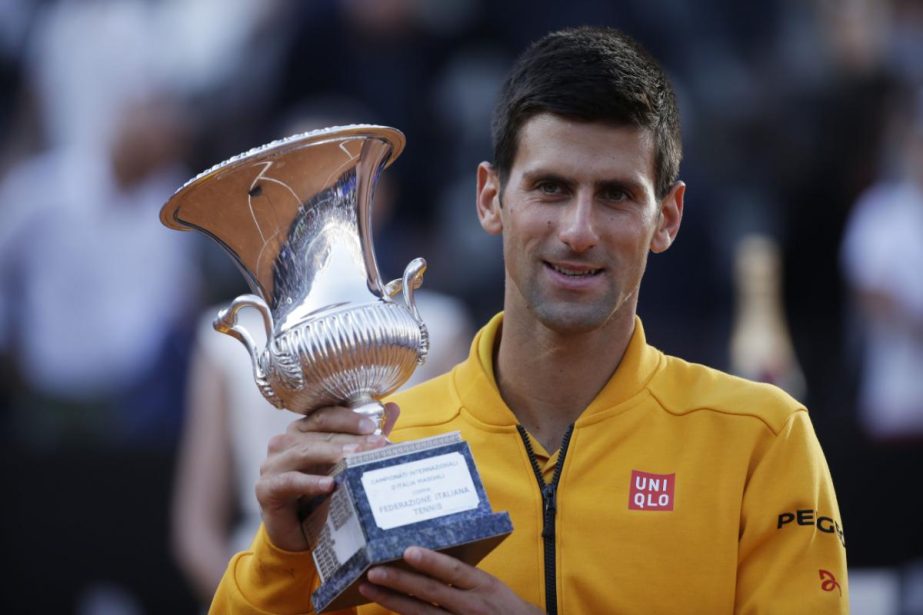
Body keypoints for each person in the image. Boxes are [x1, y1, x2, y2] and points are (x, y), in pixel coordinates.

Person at [209, 26, 848, 613]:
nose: (578, 231)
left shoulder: (762, 439)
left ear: (669, 218)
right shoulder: (379, 451)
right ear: (490, 199)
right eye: (551, 188)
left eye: (618, 195)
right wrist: (283, 559)